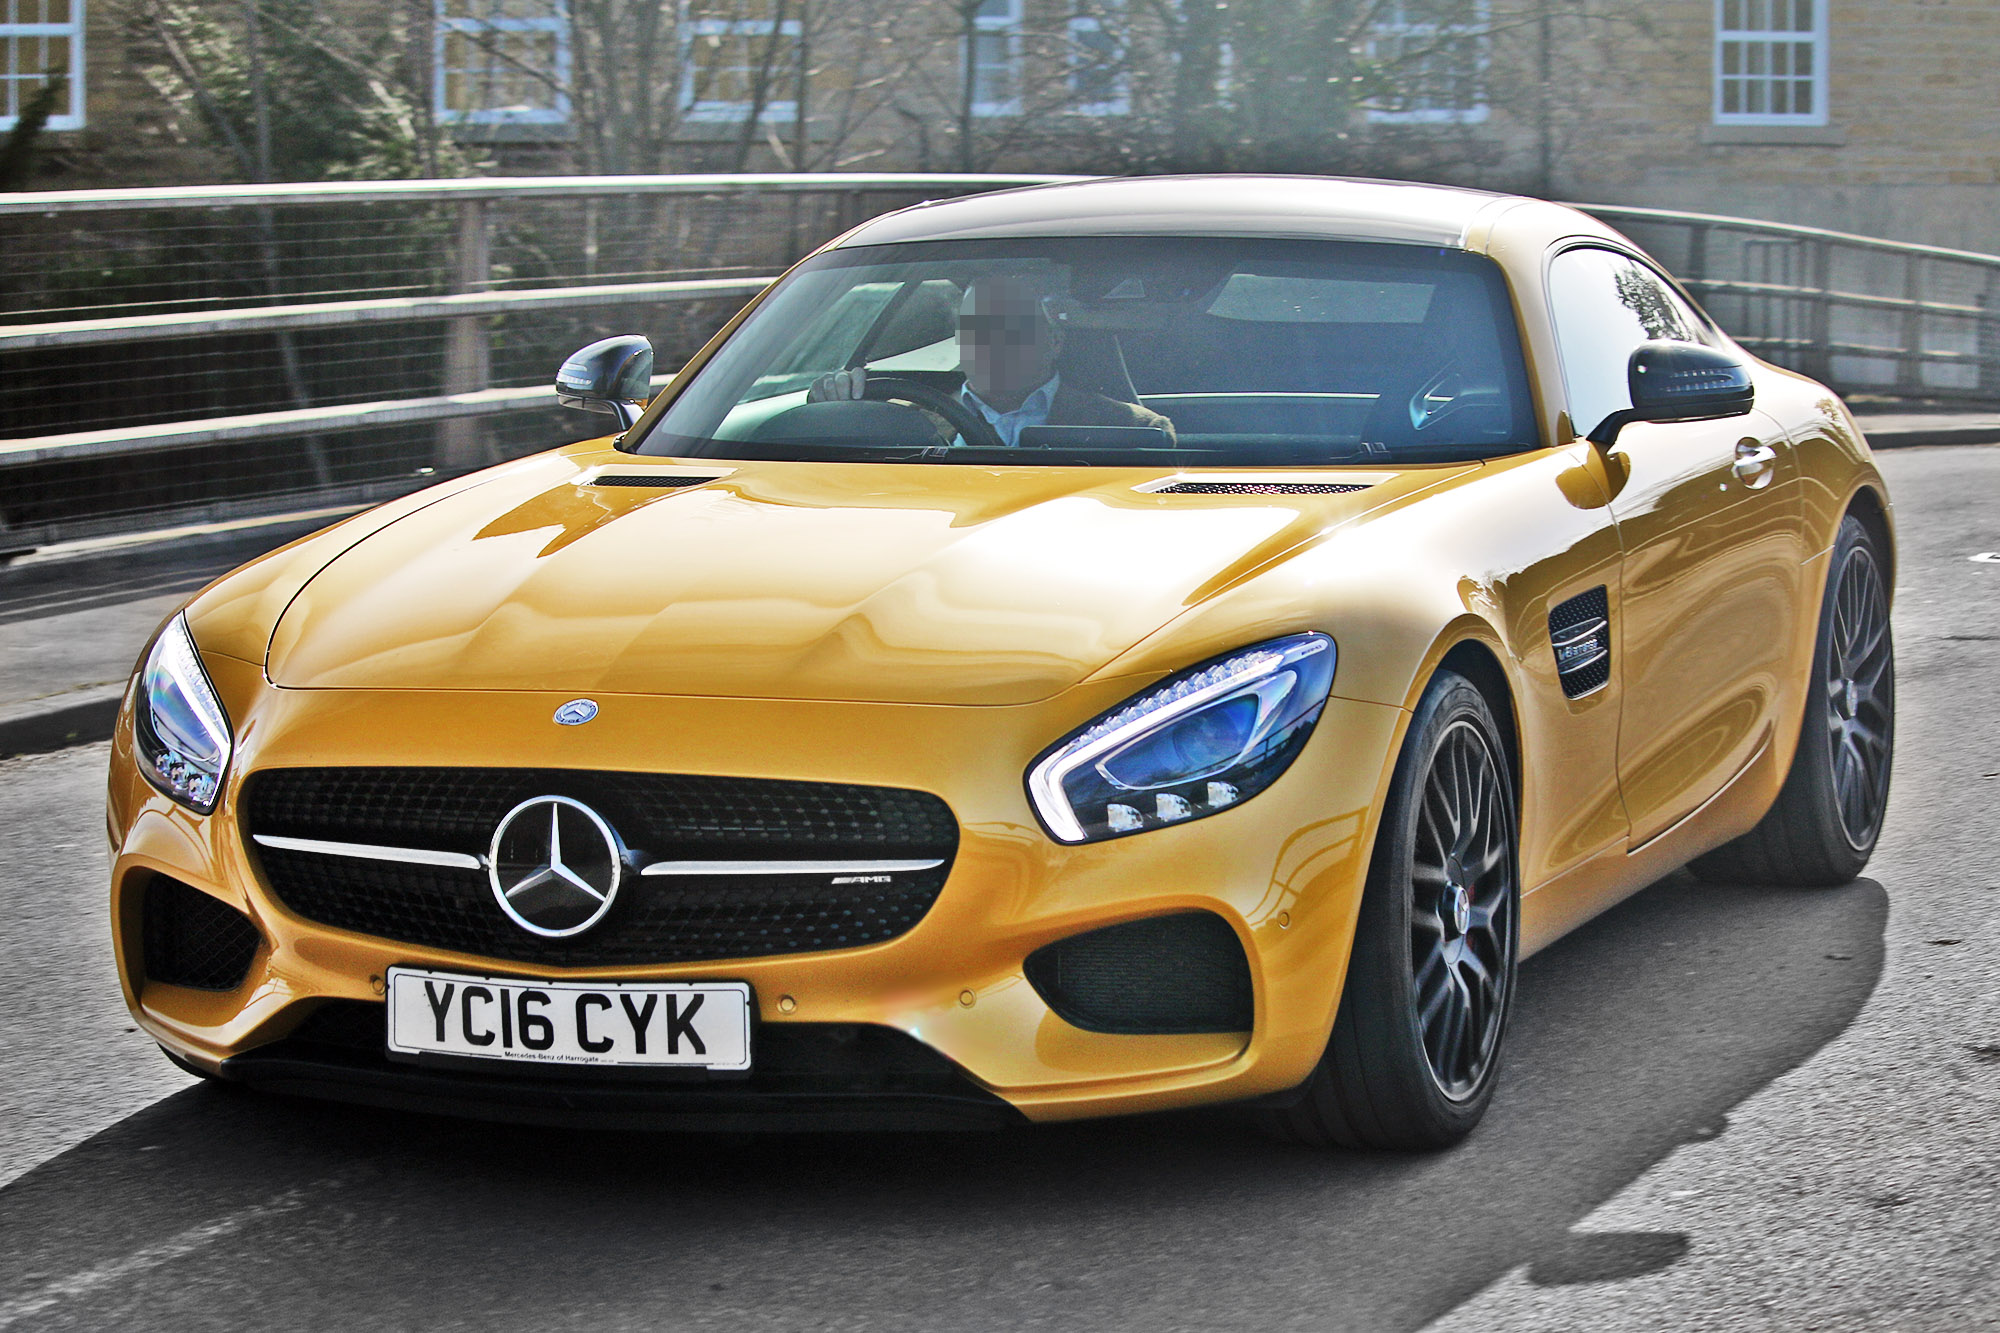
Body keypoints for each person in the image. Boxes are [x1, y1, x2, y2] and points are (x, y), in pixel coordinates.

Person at [807, 274, 1176, 446]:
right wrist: (832, 413)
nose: (991, 343)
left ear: (1054, 340)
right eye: (976, 328)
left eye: (1010, 327)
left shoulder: (1135, 430)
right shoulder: (902, 423)